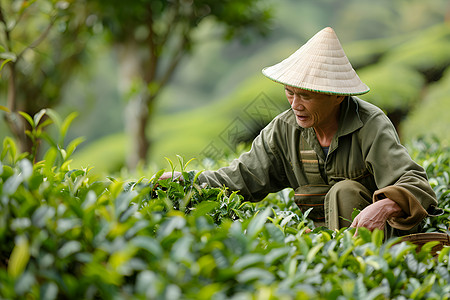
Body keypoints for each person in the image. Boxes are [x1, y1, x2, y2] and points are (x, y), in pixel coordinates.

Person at [160, 27, 439, 238]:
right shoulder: (283, 130)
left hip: (376, 245)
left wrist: (386, 206)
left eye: (305, 96)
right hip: (319, 248)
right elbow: (239, 178)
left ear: (337, 96)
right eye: (289, 93)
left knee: (344, 191)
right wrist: (186, 182)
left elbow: (416, 182)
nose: (295, 105)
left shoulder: (370, 124)